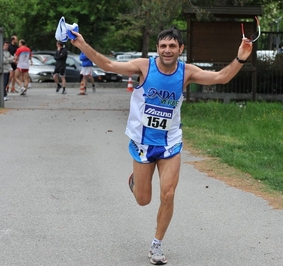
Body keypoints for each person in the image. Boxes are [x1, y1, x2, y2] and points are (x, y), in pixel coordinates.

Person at [71, 27, 252, 265]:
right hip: (143, 142)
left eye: (172, 46)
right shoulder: (144, 66)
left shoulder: (187, 72)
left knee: (168, 194)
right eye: (163, 46)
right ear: (157, 49)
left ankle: (157, 244)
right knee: (143, 199)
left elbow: (221, 77)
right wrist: (82, 45)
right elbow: (108, 65)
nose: (168, 50)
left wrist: (240, 57)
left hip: (170, 143)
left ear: (180, 49)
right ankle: (135, 182)